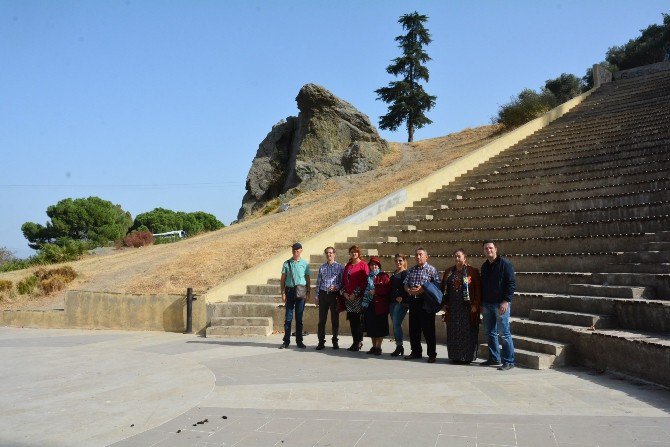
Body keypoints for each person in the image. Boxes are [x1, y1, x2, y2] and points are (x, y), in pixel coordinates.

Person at [480, 240, 516, 370]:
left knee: (504, 334)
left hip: (501, 304)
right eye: (486, 248)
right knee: (490, 333)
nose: (488, 250)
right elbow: (482, 286)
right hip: (487, 304)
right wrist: (481, 303)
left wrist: (506, 301)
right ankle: (494, 358)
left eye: (490, 248)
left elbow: (511, 284)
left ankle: (509, 361)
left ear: (496, 249)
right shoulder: (484, 266)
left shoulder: (505, 264)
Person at [441, 249, 482, 364]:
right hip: (453, 307)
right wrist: (444, 303)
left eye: (459, 256)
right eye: (455, 256)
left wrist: (475, 304)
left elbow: (478, 290)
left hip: (467, 307)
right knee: (453, 332)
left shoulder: (472, 271)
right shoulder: (449, 271)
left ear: (465, 257)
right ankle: (455, 356)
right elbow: (443, 288)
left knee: (467, 332)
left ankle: (466, 357)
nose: (457, 259)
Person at [403, 247, 441, 363]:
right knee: (414, 329)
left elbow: (437, 285)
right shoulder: (411, 270)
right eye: (416, 255)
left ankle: (432, 354)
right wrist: (409, 290)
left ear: (426, 257)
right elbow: (405, 283)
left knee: (428, 329)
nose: (418, 257)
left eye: (420, 254)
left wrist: (423, 289)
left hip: (426, 302)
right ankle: (416, 352)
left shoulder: (432, 270)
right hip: (413, 302)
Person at [279, 242, 311, 349]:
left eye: (297, 250)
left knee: (299, 318)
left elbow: (307, 278)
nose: (295, 252)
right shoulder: (287, 263)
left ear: (301, 250)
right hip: (289, 291)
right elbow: (283, 279)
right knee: (288, 318)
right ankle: (286, 341)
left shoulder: (305, 264)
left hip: (301, 292)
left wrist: (308, 292)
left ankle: (299, 341)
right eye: (294, 250)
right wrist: (282, 293)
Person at [315, 246, 344, 350]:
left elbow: (343, 282)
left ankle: (335, 341)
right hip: (323, 294)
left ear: (334, 254)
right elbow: (318, 282)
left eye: (331, 253)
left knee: (335, 320)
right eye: (327, 253)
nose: (329, 254)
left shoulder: (340, 267)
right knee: (322, 320)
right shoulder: (322, 267)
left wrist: (337, 287)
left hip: (334, 295)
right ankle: (321, 342)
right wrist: (317, 296)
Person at [341, 245, 369, 351]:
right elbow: (344, 281)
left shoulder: (363, 265)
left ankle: (359, 342)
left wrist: (355, 293)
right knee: (352, 320)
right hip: (348, 298)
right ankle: (354, 342)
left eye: (356, 252)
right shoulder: (348, 265)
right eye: (352, 252)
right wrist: (344, 293)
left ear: (359, 253)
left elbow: (365, 282)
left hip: (357, 297)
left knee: (357, 321)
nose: (354, 254)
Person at [362, 256, 391, 355]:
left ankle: (379, 347)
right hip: (369, 304)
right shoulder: (368, 277)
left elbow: (387, 290)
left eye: (375, 264)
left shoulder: (384, 276)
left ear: (378, 266)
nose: (373, 266)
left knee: (380, 327)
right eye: (372, 264)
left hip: (380, 306)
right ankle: (374, 346)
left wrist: (376, 291)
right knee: (371, 327)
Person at [388, 253, 409, 357]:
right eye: (396, 261)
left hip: (401, 303)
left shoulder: (405, 273)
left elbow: (408, 287)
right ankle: (399, 346)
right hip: (392, 302)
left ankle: (399, 346)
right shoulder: (394, 273)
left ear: (404, 261)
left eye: (400, 260)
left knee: (396, 324)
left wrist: (403, 297)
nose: (398, 262)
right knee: (395, 324)